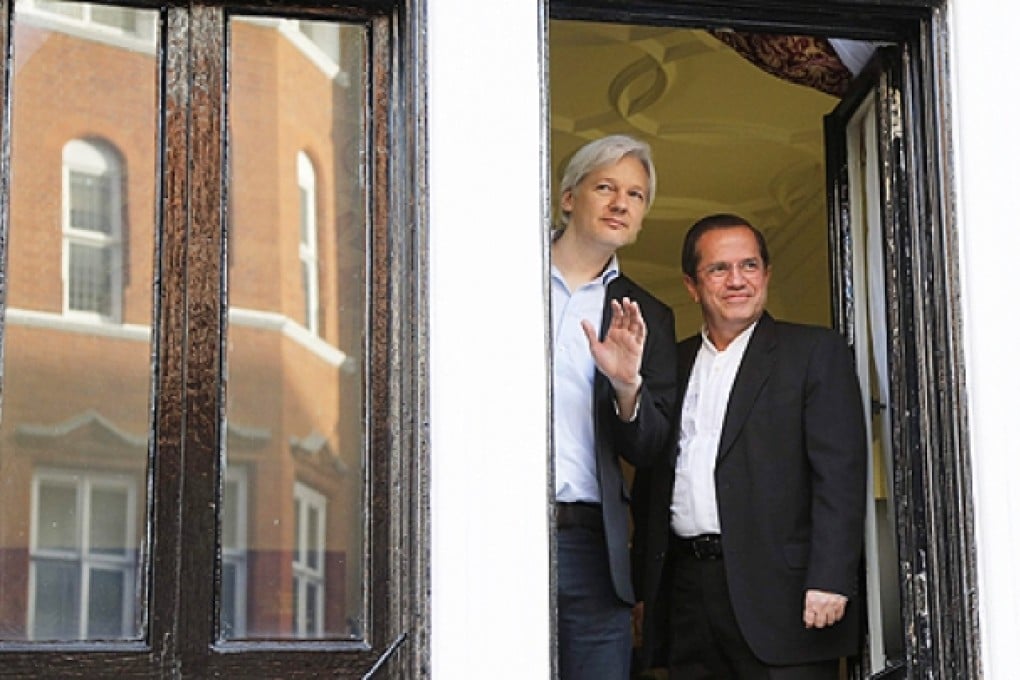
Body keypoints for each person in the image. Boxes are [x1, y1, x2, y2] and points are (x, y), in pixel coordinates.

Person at [632, 213, 867, 679]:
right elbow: (650, 482)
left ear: (767, 274)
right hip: (687, 594)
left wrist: (830, 577)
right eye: (719, 269)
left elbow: (840, 476)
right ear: (692, 285)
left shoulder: (814, 352)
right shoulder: (672, 363)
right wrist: (644, 589)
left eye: (749, 265)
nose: (737, 280)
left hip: (787, 597)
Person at [551, 135, 677, 680]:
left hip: (590, 546)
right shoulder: (499, 277)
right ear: (568, 198)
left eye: (636, 195)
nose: (621, 203)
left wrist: (627, 387)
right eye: (605, 187)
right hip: (489, 525)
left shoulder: (647, 314)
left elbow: (651, 448)